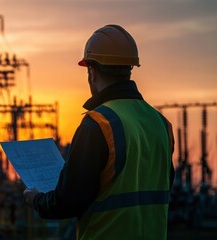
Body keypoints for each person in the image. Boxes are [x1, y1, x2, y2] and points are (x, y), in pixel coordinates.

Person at [23, 24, 175, 239]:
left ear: (92, 71)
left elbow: (67, 202)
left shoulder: (99, 124)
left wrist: (37, 200)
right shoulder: (160, 123)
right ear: (129, 69)